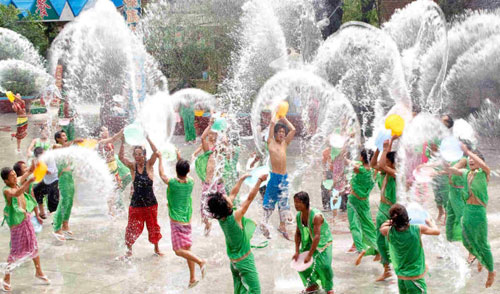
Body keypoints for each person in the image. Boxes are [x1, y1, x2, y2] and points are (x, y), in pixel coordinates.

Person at [206, 173, 267, 294]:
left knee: (239, 288)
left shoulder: (221, 217)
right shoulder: (236, 217)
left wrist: (240, 180)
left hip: (234, 262)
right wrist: (259, 180)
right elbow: (249, 199)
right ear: (227, 205)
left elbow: (233, 194)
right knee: (255, 291)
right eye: (226, 198)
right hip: (245, 261)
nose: (229, 196)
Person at [446, 146, 495, 288]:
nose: (471, 161)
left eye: (474, 159)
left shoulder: (484, 174)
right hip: (467, 210)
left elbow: (485, 166)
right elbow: (455, 171)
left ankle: (491, 271)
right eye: (469, 159)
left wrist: (468, 152)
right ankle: (479, 257)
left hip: (478, 212)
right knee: (467, 241)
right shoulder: (467, 173)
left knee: (483, 244)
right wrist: (445, 167)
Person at [158, 151, 207, 288]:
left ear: (176, 170)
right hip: (187, 220)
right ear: (187, 171)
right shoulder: (190, 182)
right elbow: (185, 173)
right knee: (187, 250)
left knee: (178, 251)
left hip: (177, 222)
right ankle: (192, 278)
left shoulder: (173, 183)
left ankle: (200, 261)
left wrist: (161, 158)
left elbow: (162, 174)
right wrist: (180, 158)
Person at [1, 167, 50, 292]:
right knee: (15, 252)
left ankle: (39, 272)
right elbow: (16, 193)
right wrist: (28, 182)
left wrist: (32, 168)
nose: (14, 176)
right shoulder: (7, 190)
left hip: (26, 220)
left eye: (14, 174)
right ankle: (6, 279)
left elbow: (26, 174)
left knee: (34, 245)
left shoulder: (16, 181)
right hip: (17, 225)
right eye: (11, 176)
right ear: (6, 181)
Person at [380, 204, 440, 294]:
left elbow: (382, 227)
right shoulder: (417, 229)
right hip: (415, 278)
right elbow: (437, 232)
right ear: (407, 217)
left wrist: (391, 221)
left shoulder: (389, 232)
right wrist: (430, 222)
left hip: (401, 277)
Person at [119, 134, 163, 257]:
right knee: (131, 227)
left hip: (150, 203)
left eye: (140, 154)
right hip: (136, 203)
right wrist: (122, 142)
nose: (137, 157)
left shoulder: (149, 165)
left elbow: (156, 151)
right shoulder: (132, 167)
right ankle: (129, 250)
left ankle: (156, 249)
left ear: (144, 155)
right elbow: (121, 158)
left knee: (153, 226)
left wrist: (148, 138)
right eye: (136, 154)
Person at [261, 116, 296, 240]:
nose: (282, 134)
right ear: (275, 133)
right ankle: (264, 222)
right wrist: (275, 117)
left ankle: (282, 226)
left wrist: (284, 118)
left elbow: (293, 130)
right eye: (279, 132)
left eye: (283, 132)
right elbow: (272, 124)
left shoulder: (285, 143)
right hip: (274, 177)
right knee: (269, 200)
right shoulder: (271, 142)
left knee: (284, 202)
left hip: (284, 177)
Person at [293, 191, 334, 294]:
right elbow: (298, 233)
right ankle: (312, 285)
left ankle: (329, 288)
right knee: (299, 264)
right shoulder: (299, 216)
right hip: (308, 242)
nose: (295, 205)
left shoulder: (316, 216)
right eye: (294, 202)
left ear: (305, 202)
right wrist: (297, 251)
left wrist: (310, 255)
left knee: (325, 266)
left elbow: (317, 236)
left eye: (298, 202)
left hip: (323, 242)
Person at [346, 149, 378, 265]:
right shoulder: (374, 171)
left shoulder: (359, 169)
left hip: (353, 200)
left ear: (362, 158)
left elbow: (348, 163)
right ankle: (377, 247)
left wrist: (343, 155)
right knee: (368, 224)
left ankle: (360, 248)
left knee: (354, 225)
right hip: (365, 201)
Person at [374, 137, 398, 281]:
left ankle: (396, 269)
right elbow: (374, 163)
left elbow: (382, 165)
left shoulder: (397, 175)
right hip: (382, 210)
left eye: (389, 162)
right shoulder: (385, 174)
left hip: (391, 211)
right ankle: (386, 269)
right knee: (380, 242)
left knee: (391, 242)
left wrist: (386, 147)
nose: (385, 164)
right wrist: (380, 148)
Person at [195, 119, 223, 236]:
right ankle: (207, 223)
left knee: (222, 204)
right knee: (204, 204)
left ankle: (224, 225)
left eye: (214, 134)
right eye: (210, 134)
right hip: (208, 179)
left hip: (218, 180)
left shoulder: (220, 146)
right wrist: (209, 125)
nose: (212, 136)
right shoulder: (208, 147)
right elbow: (202, 138)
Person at [51, 131, 76, 241]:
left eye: (66, 135)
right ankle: (56, 228)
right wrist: (74, 141)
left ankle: (65, 225)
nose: (65, 137)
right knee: (63, 201)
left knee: (69, 202)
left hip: (69, 176)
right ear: (58, 139)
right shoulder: (56, 147)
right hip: (63, 178)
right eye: (63, 136)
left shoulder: (66, 149)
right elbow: (62, 147)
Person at [13, 161, 43, 226]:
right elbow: (29, 171)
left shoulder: (29, 182)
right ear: (19, 171)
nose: (26, 169)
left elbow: (33, 199)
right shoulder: (18, 182)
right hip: (20, 212)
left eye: (26, 167)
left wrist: (37, 215)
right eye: (24, 168)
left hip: (27, 211)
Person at [32, 147, 59, 219]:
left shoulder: (50, 157)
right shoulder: (38, 160)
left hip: (55, 180)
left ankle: (56, 220)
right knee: (36, 190)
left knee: (52, 201)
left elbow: (50, 171)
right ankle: (42, 212)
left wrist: (40, 167)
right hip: (46, 180)